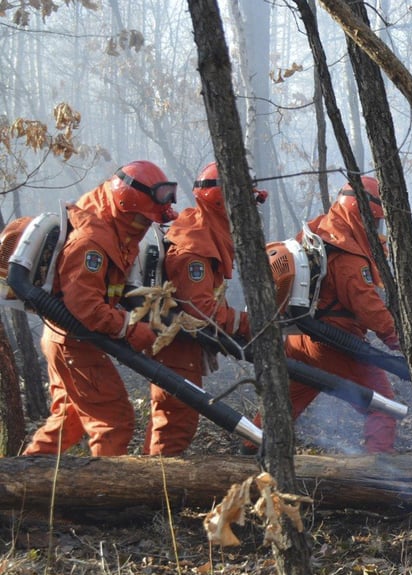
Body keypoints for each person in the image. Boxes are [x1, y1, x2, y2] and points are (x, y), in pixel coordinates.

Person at [23, 160, 178, 456]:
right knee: (114, 420)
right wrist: (128, 327)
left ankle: (24, 487)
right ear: (125, 206)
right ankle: (103, 498)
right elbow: (85, 306)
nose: (146, 226)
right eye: (143, 220)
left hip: (65, 338)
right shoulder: (91, 242)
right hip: (73, 341)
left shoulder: (111, 226)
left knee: (67, 420)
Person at [249, 175, 400, 454]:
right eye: (375, 222)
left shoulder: (322, 230)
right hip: (337, 345)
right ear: (361, 215)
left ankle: (250, 450)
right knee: (384, 405)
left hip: (300, 340)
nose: (378, 231)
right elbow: (366, 305)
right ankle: (380, 474)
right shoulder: (349, 256)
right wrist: (397, 338)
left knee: (284, 403)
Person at [143, 162, 264, 456]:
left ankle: (152, 486)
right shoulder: (194, 247)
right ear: (226, 204)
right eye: (246, 203)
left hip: (183, 347)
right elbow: (200, 310)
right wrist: (247, 323)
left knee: (175, 423)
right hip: (176, 349)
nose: (251, 212)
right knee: (175, 425)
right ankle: (153, 489)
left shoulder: (205, 233)